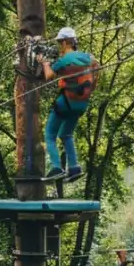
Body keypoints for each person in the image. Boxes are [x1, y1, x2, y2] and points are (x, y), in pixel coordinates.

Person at [39, 27, 97, 182]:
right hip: (81, 104)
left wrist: (44, 63)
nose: (60, 46)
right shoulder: (88, 58)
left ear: (65, 42)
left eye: (60, 43)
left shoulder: (64, 60)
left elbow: (49, 76)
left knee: (50, 135)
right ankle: (74, 168)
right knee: (66, 134)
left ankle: (56, 168)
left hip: (65, 102)